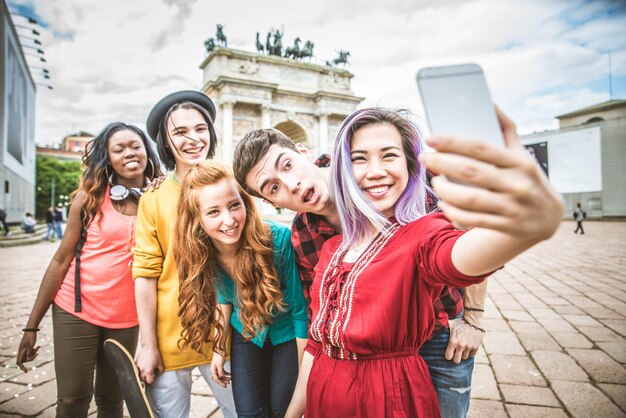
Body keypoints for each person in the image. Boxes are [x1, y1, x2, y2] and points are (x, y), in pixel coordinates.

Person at [279, 107, 563, 417]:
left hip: (388, 403)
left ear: (410, 166)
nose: (374, 170)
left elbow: (458, 256)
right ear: (344, 170)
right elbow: (317, 345)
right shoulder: (332, 247)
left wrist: (528, 222)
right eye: (359, 159)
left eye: (389, 156)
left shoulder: (423, 235)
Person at [234, 131, 487, 417]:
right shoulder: (303, 236)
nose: (292, 185)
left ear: (304, 152)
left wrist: (474, 320)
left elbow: (467, 230)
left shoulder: (372, 171)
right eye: (273, 187)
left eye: (287, 165)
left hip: (440, 338)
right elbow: (322, 319)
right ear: (270, 203)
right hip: (372, 358)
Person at [16, 122, 162, 417]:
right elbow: (60, 260)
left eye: (135, 146)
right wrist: (32, 326)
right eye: (118, 149)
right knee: (72, 399)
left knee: (113, 399)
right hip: (76, 309)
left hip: (127, 316)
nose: (129, 153)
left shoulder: (161, 199)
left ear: (147, 151)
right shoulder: (90, 197)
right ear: (108, 159)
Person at [174, 160, 308, 417]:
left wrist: (303, 378)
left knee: (283, 411)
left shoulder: (277, 240)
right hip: (246, 331)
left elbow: (300, 314)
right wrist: (218, 349)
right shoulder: (203, 252)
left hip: (288, 335)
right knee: (248, 412)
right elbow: (224, 298)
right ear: (196, 219)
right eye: (213, 212)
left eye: (234, 205)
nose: (229, 220)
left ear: (245, 202)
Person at [132, 90, 236, 418]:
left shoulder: (233, 182)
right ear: (165, 140)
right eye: (180, 132)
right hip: (170, 335)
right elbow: (145, 273)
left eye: (201, 128)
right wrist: (148, 344)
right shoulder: (154, 197)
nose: (194, 139)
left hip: (229, 333)